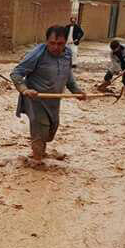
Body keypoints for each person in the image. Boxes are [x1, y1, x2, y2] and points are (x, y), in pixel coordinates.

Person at [10, 25, 87, 162]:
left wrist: (77, 91)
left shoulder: (68, 54)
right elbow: (16, 73)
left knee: (51, 131)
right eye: (52, 43)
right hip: (36, 99)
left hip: (54, 101)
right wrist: (24, 90)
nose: (56, 47)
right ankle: (37, 164)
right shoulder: (37, 54)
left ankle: (39, 151)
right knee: (41, 129)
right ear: (46, 41)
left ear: (65, 43)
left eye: (60, 44)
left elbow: (67, 75)